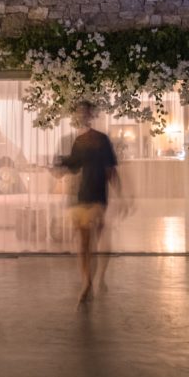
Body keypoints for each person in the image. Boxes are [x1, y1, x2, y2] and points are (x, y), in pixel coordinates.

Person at [55, 100, 125, 303]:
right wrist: (60, 168)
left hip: (98, 197)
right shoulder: (79, 141)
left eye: (84, 112)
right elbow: (73, 166)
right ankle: (87, 281)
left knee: (92, 238)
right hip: (82, 196)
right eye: (79, 113)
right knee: (85, 241)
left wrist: (121, 196)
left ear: (91, 115)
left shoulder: (102, 140)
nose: (82, 116)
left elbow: (111, 170)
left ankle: (94, 278)